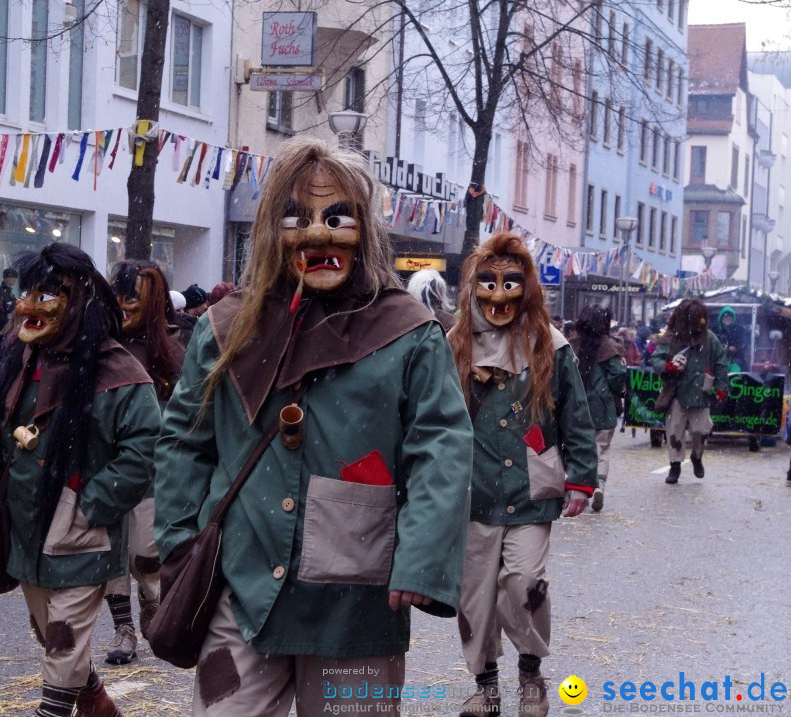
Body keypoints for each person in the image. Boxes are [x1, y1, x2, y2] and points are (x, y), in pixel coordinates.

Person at [154, 137, 472, 715]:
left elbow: (442, 448)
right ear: (273, 228)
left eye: (338, 216)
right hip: (240, 591)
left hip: (358, 602)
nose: (318, 233)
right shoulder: (225, 328)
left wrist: (423, 557)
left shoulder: (410, 333)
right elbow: (184, 440)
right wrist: (180, 543)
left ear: (365, 229)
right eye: (297, 216)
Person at [0, 242, 159, 717]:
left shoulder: (119, 371)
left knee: (62, 638)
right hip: (27, 527)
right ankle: (94, 700)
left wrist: (92, 505)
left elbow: (143, 451)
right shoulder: (19, 361)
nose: (29, 305)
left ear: (78, 302)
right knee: (47, 630)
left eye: (48, 295)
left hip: (83, 533)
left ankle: (52, 710)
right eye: (27, 292)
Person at [446, 232, 597, 717]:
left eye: (510, 283)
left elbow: (576, 413)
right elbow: (433, 421)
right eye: (487, 284)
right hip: (473, 491)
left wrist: (582, 477)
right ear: (473, 287)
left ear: (526, 287)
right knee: (475, 595)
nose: (498, 295)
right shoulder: (455, 345)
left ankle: (531, 674)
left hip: (532, 489)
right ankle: (485, 687)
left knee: (524, 582)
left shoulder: (550, 346)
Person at [105, 260, 184, 664]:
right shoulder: (100, 344)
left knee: (144, 552)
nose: (123, 305)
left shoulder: (173, 345)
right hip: (104, 469)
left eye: (132, 297)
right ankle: (123, 631)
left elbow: (186, 414)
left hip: (154, 473)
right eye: (117, 295)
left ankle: (152, 597)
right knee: (111, 555)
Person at [651, 299, 729, 484]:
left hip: (701, 393)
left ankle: (696, 456)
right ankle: (675, 466)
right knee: (674, 431)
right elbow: (656, 360)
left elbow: (720, 362)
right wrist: (667, 367)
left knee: (701, 431)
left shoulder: (709, 338)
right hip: (677, 393)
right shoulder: (671, 337)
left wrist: (722, 387)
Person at [570, 305, 627, 512]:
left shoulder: (570, 346)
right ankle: (599, 485)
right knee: (601, 448)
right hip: (602, 405)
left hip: (575, 406)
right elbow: (619, 374)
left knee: (575, 447)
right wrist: (613, 390)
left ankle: (575, 488)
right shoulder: (611, 347)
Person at [715, 306, 751, 371]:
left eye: (730, 316)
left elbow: (743, 344)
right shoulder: (715, 330)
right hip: (718, 362)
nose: (727, 318)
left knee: (736, 375)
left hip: (736, 361)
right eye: (725, 316)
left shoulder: (739, 330)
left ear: (733, 318)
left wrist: (735, 348)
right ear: (721, 317)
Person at [0, 268, 19, 337]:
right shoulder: (1, 292)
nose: (14, 280)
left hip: (4, 326)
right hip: (1, 327)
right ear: (6, 279)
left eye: (14, 278)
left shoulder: (7, 291)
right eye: (12, 278)